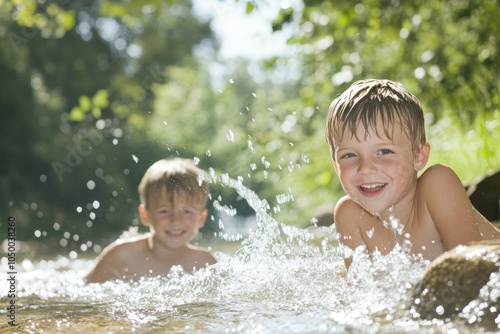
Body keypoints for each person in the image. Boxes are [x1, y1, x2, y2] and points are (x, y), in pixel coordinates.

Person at [325, 79, 500, 269]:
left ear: (419, 156)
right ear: (336, 167)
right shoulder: (350, 216)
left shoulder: (438, 184)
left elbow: (471, 272)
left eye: (384, 152)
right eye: (349, 155)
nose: (366, 168)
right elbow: (360, 292)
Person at [85, 158, 217, 283]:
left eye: (187, 212)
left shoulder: (205, 263)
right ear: (145, 215)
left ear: (202, 218)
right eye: (164, 211)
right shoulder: (120, 256)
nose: (176, 221)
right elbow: (86, 299)